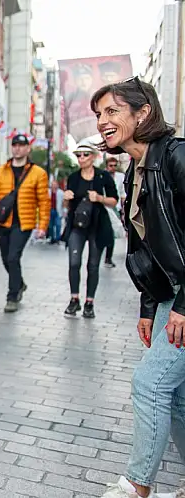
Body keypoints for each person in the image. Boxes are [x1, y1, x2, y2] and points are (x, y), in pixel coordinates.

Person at [91, 77, 185, 498]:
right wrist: (150, 307)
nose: (102, 122)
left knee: (150, 383)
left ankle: (136, 486)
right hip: (171, 295)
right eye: (99, 114)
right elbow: (147, 249)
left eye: (112, 111)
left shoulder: (176, 156)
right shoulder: (136, 169)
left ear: (143, 112)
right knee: (176, 395)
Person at [0, 134, 50, 313]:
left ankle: (12, 296)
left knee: (13, 257)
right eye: (15, 145)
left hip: (24, 223)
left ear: (28, 148)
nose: (17, 148)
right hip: (3, 221)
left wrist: (42, 226)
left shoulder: (38, 173)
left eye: (21, 145)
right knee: (6, 259)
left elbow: (44, 201)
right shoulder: (0, 171)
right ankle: (19, 283)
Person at [61, 139, 118, 319]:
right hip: (77, 226)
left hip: (97, 226)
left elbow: (114, 200)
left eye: (85, 155)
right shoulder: (73, 177)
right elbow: (66, 206)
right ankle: (74, 299)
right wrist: (65, 198)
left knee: (93, 266)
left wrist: (99, 198)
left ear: (93, 157)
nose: (81, 158)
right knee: (74, 263)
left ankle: (89, 303)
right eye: (78, 155)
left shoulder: (103, 176)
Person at [103, 154, 127, 268]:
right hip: (104, 207)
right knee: (105, 232)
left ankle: (108, 257)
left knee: (112, 233)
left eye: (114, 165)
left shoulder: (120, 177)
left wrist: (123, 210)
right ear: (107, 166)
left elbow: (123, 194)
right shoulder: (102, 176)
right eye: (110, 165)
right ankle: (103, 255)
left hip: (115, 208)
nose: (113, 167)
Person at [47, 179, 64, 244]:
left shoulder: (61, 193)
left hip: (58, 211)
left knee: (58, 225)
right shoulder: (47, 192)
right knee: (50, 226)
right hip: (49, 211)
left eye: (55, 184)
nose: (54, 186)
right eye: (52, 184)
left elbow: (64, 202)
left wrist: (65, 210)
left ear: (57, 185)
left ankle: (57, 238)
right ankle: (52, 238)